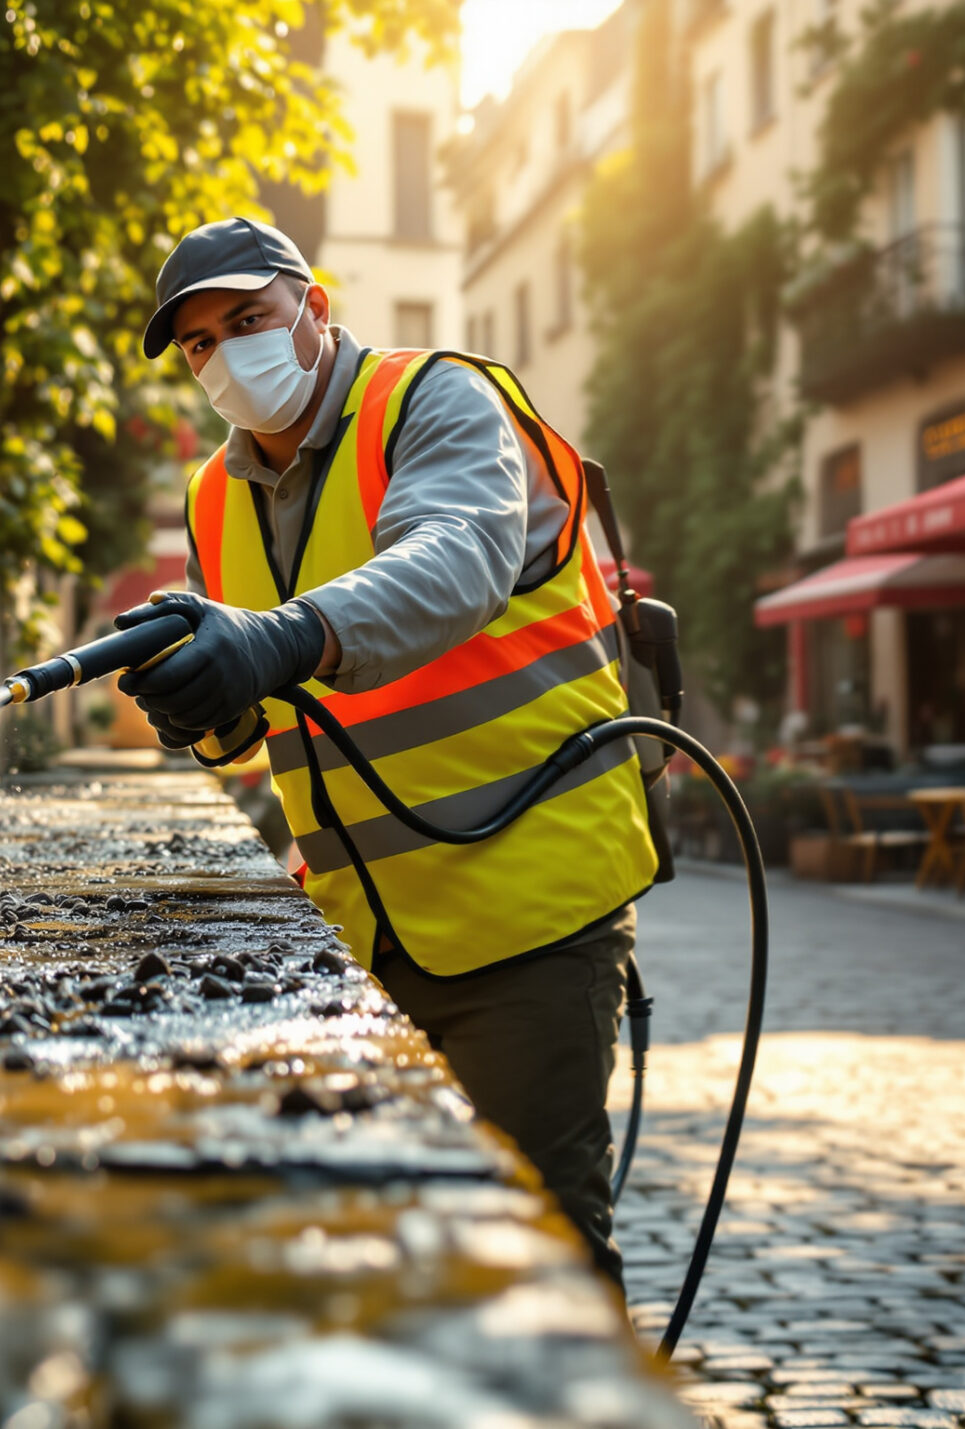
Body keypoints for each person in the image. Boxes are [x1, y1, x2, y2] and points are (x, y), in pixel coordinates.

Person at [116, 217, 656, 1286]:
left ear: (312, 307)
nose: (225, 356)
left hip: (531, 911)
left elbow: (454, 561)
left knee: (535, 1258)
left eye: (247, 320)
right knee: (390, 1263)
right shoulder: (213, 496)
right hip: (364, 932)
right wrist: (200, 708)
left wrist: (275, 638)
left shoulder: (437, 401)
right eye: (199, 346)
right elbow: (258, 728)